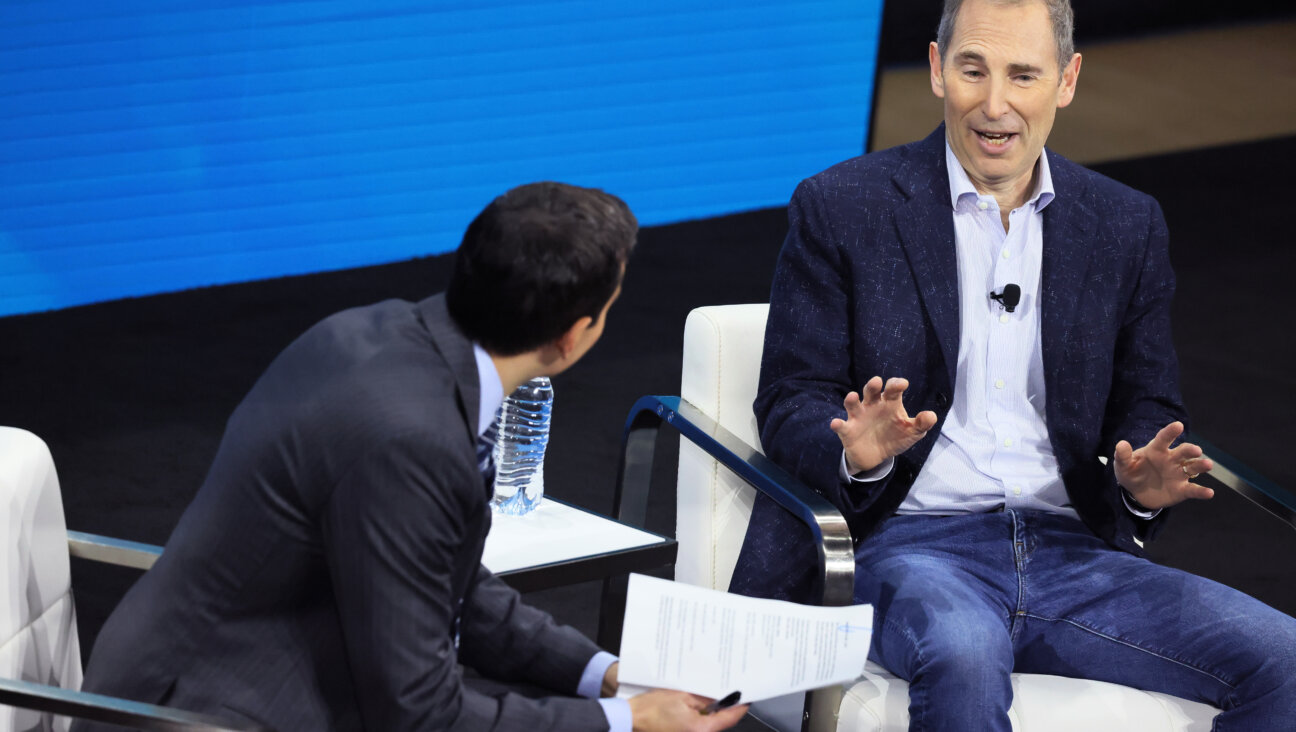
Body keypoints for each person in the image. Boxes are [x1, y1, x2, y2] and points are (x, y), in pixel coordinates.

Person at [729, 0, 1296, 728]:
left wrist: (1139, 481)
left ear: (1066, 80)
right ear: (938, 70)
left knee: (1283, 658)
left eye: (1023, 75)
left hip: (1074, 555)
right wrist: (853, 450)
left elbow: (1147, 402)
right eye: (973, 69)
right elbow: (789, 396)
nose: (995, 105)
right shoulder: (844, 206)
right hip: (909, 545)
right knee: (963, 651)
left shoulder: (1124, 223)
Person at [75, 182, 748, 732]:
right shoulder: (410, 439)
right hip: (203, 710)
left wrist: (602, 671)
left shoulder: (382, 332)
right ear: (574, 337)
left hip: (262, 665)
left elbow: (445, 576)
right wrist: (622, 721)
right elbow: (419, 714)